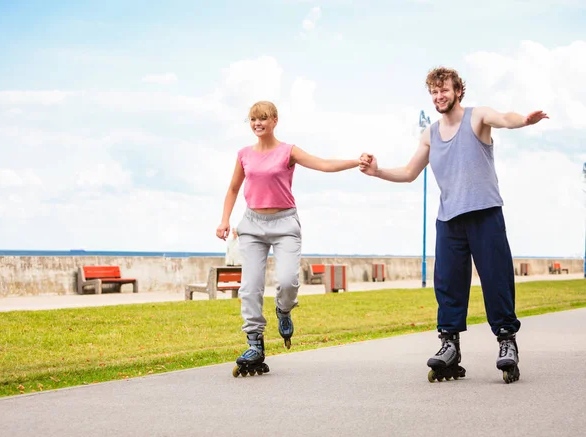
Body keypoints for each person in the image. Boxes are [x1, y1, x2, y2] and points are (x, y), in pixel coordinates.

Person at [359, 67, 548, 384]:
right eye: (433, 92)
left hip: (485, 214)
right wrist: (377, 171)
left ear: (458, 90)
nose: (438, 96)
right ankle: (449, 346)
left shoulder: (478, 117)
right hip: (449, 220)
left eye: (444, 90)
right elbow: (408, 173)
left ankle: (506, 342)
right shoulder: (430, 134)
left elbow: (505, 117)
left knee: (496, 279)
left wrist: (525, 121)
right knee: (447, 284)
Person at [216, 100, 361, 377]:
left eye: (262, 119)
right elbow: (233, 188)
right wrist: (224, 220)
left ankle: (284, 310)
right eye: (253, 120)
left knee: (286, 281)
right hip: (252, 224)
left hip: (284, 224)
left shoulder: (288, 151)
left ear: (274, 120)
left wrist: (356, 161)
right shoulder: (244, 154)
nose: (257, 124)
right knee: (250, 287)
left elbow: (323, 164)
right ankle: (255, 343)